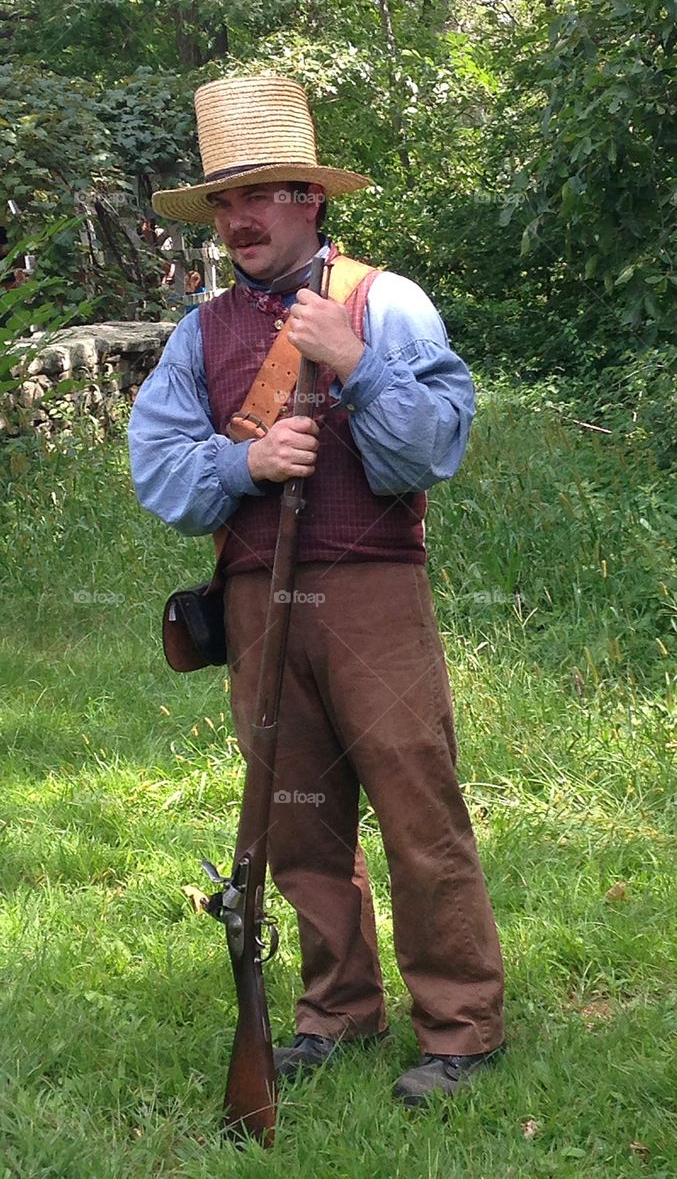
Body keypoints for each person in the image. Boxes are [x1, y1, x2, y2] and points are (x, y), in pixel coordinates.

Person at [128, 75, 504, 1108]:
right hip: (256, 601)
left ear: (310, 199)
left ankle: (461, 1023)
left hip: (371, 592)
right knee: (295, 817)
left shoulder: (384, 303)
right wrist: (242, 468)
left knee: (414, 804)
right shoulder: (196, 335)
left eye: (261, 195)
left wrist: (358, 367)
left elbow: (431, 448)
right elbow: (160, 470)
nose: (239, 219)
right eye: (223, 202)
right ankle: (336, 1007)